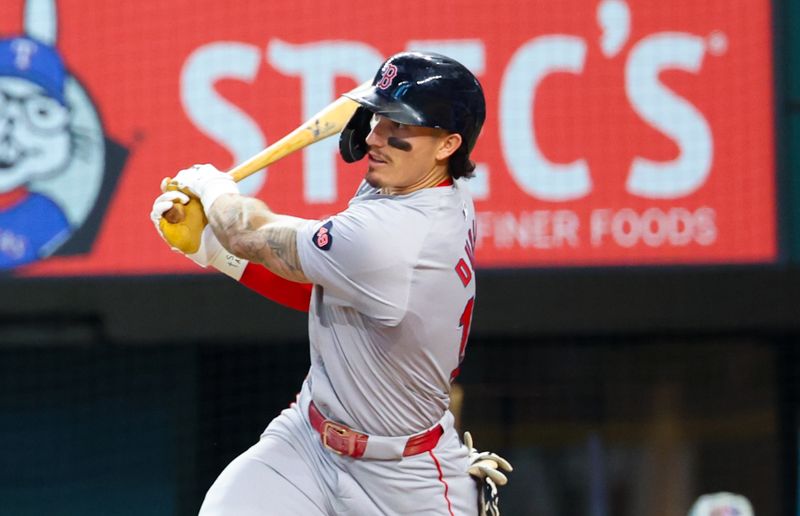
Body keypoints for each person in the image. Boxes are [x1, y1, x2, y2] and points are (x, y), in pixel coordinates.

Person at [151, 51, 511, 515]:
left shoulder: (397, 236)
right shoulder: (416, 185)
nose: (377, 137)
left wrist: (214, 191)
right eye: (379, 116)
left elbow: (248, 232)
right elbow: (327, 289)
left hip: (402, 478)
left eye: (400, 126)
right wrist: (212, 250)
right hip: (309, 440)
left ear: (447, 145)